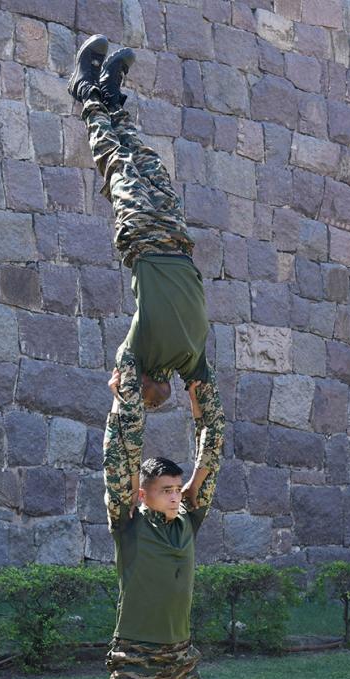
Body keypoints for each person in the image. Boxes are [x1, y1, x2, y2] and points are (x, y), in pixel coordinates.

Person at [65, 373, 263, 679]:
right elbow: (117, 463)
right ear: (143, 494)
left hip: (179, 661)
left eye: (179, 489)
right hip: (134, 661)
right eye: (167, 490)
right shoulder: (127, 525)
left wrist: (203, 401)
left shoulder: (188, 522)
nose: (177, 495)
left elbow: (211, 459)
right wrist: (125, 403)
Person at [68, 35, 225, 514]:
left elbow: (127, 434)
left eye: (148, 399)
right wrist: (200, 477)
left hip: (142, 240)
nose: (156, 397)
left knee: (118, 166)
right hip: (178, 242)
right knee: (149, 163)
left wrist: (126, 396)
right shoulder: (191, 362)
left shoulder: (136, 354)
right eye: (158, 399)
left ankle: (86, 94)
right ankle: (115, 101)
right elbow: (213, 429)